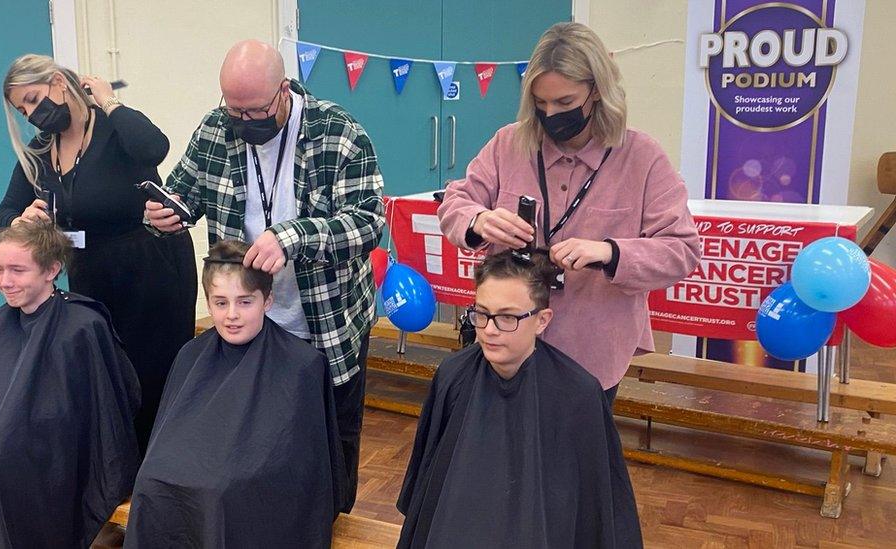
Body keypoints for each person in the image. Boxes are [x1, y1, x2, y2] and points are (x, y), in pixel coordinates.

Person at [145, 39, 383, 510]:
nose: (242, 122)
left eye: (254, 111)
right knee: (252, 444)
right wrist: (166, 212)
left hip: (325, 325)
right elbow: (183, 192)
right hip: (246, 321)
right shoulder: (217, 129)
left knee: (331, 446)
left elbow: (369, 222)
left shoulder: (338, 132)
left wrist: (293, 237)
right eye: (233, 109)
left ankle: (333, 523)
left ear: (284, 91)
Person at [438, 22, 701, 403]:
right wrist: (479, 220)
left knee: (574, 460)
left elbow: (682, 250)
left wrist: (610, 252)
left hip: (592, 351)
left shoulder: (643, 158)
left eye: (564, 103)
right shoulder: (508, 144)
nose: (551, 113)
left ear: (597, 91)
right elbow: (455, 203)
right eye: (541, 104)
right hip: (510, 347)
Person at [0, 54, 197, 453]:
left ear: (57, 82)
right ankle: (118, 476)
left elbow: (154, 146)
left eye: (34, 99)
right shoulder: (40, 152)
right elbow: (3, 213)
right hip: (91, 275)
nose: (33, 115)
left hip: (152, 271)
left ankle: (161, 477)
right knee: (110, 378)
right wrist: (21, 218)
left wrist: (110, 102)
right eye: (23, 110)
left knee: (155, 378)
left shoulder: (112, 128)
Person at [397, 250, 642, 548]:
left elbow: (594, 511)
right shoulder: (453, 375)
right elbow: (426, 486)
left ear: (542, 320)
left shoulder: (578, 394)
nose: (489, 330)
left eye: (507, 317)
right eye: (482, 313)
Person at [0, 220, 141, 549]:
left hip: (52, 442)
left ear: (52, 269)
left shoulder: (82, 324)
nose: (5, 282)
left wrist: (8, 429)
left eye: (17, 270)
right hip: (10, 425)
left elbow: (93, 411)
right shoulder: (5, 317)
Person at [124, 240, 345, 548]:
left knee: (218, 492)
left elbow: (299, 468)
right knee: (151, 480)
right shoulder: (191, 355)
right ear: (208, 301)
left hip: (254, 486)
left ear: (267, 300)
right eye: (220, 302)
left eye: (244, 302)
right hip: (195, 469)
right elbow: (168, 437)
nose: (231, 315)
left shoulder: (302, 365)